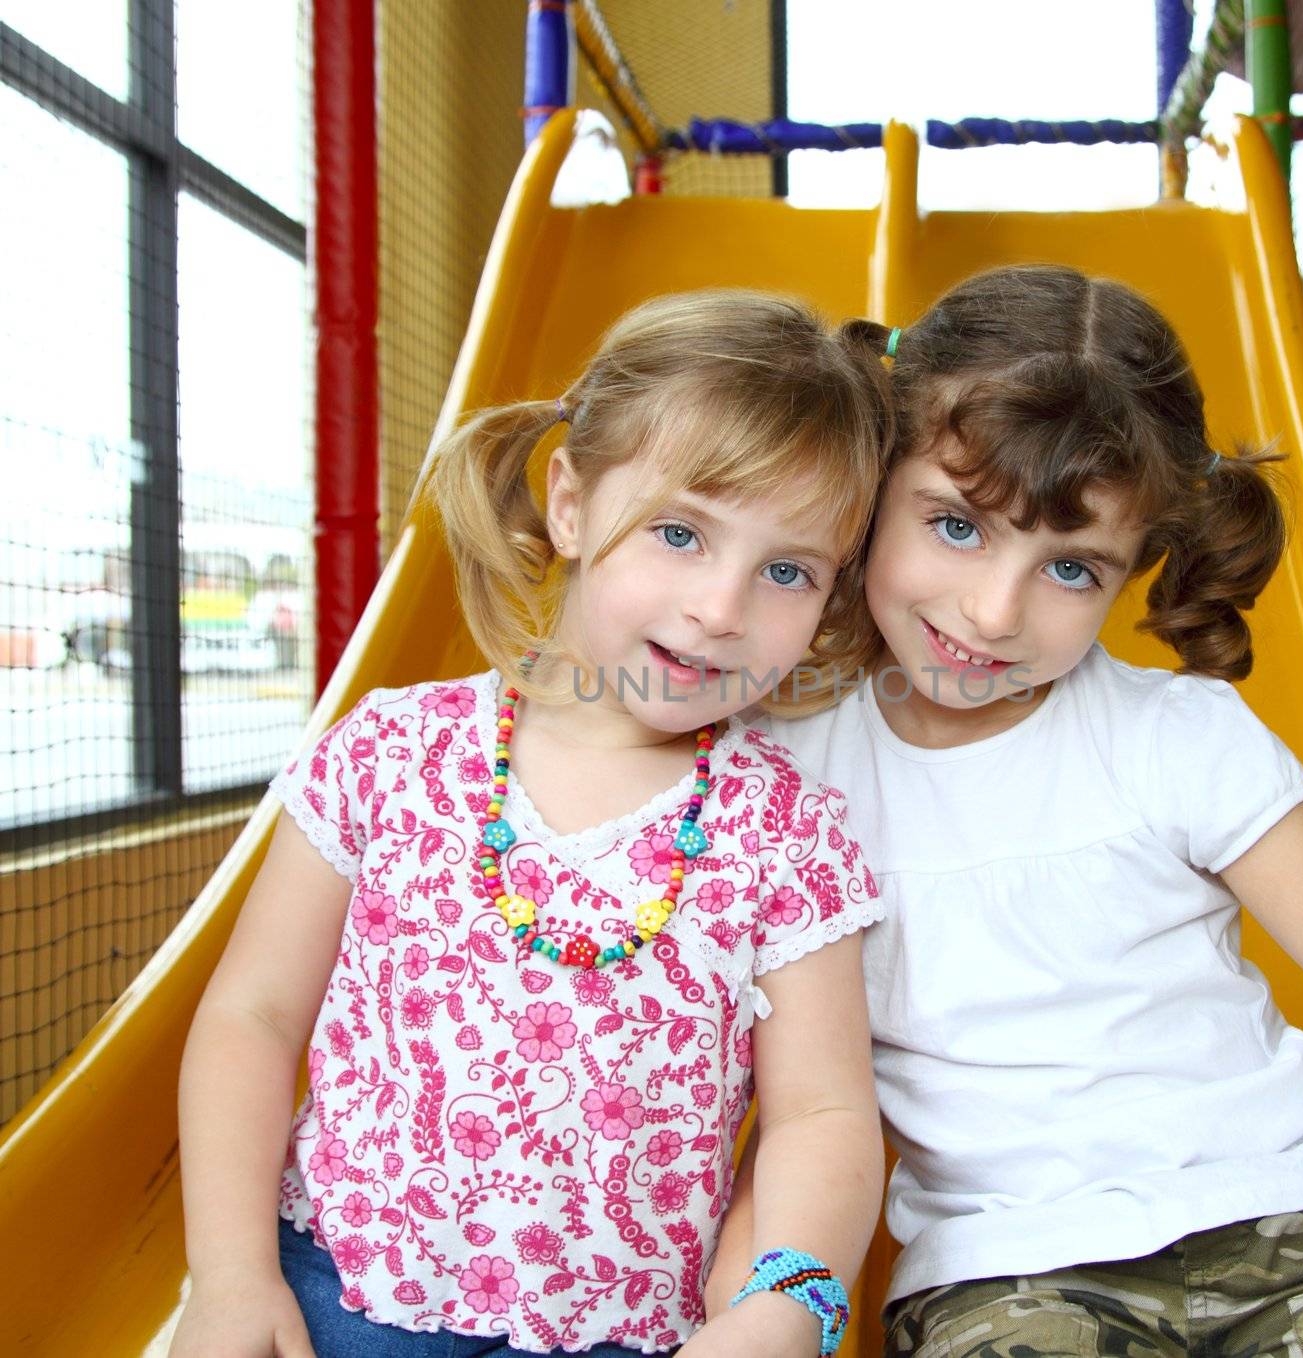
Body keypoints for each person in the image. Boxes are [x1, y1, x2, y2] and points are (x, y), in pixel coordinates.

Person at [711, 265, 1303, 1356]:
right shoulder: (789, 784)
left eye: (1072, 567)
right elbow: (784, 1105)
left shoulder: (1178, 739)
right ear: (873, 476)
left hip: (1301, 1230)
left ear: (1137, 564)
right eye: (954, 525)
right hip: (1011, 1268)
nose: (992, 611)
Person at [171, 290, 895, 1358]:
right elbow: (254, 1016)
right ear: (569, 500)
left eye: (787, 569)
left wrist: (787, 1301)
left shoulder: (786, 833)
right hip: (347, 1293)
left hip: (628, 1331)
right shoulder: (391, 753)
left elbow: (822, 1113)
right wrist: (231, 1276)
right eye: (681, 532)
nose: (720, 606)